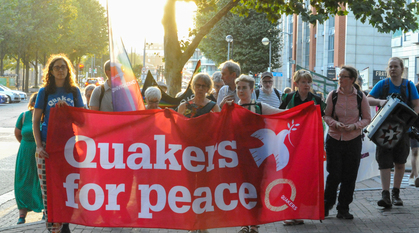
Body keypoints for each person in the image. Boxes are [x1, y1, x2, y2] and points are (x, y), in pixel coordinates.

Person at [33, 54, 85, 233]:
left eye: (63, 67)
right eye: (57, 67)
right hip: (48, 148)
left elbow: (82, 119)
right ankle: (54, 227)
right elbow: (35, 121)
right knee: (49, 191)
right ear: (51, 71)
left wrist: (69, 110)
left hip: (69, 147)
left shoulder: (74, 91)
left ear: (68, 69)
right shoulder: (45, 92)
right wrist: (39, 146)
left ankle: (66, 224)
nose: (61, 70)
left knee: (70, 187)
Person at [367, 57, 419, 208]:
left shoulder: (409, 86)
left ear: (402, 69)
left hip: (403, 131)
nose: (392, 69)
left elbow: (417, 105)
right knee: (384, 163)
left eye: (396, 66)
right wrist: (380, 102)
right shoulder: (382, 85)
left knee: (400, 162)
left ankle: (396, 193)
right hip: (383, 131)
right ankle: (385, 194)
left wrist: (410, 119)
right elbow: (367, 99)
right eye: (390, 66)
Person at [323, 66, 372, 219]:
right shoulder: (333, 95)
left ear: (352, 80)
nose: (340, 79)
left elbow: (367, 119)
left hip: (353, 140)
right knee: (334, 174)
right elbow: (326, 116)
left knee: (349, 176)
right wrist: (335, 124)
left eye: (344, 76)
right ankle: (326, 206)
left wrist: (354, 126)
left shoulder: (360, 96)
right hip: (334, 139)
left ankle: (343, 208)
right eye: (339, 76)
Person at [279, 70, 325, 226]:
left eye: (308, 82)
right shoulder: (288, 97)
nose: (306, 85)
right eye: (303, 82)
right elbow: (279, 115)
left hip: (308, 145)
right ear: (296, 84)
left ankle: (298, 212)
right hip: (290, 144)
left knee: (303, 178)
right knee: (289, 176)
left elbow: (324, 119)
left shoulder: (317, 99)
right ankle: (288, 212)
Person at [14, 92, 44, 225]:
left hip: (42, 154)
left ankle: (45, 210)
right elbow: (18, 134)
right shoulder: (23, 116)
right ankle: (22, 214)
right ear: (32, 104)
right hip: (25, 154)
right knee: (23, 183)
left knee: (42, 182)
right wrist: (28, 145)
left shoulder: (46, 117)